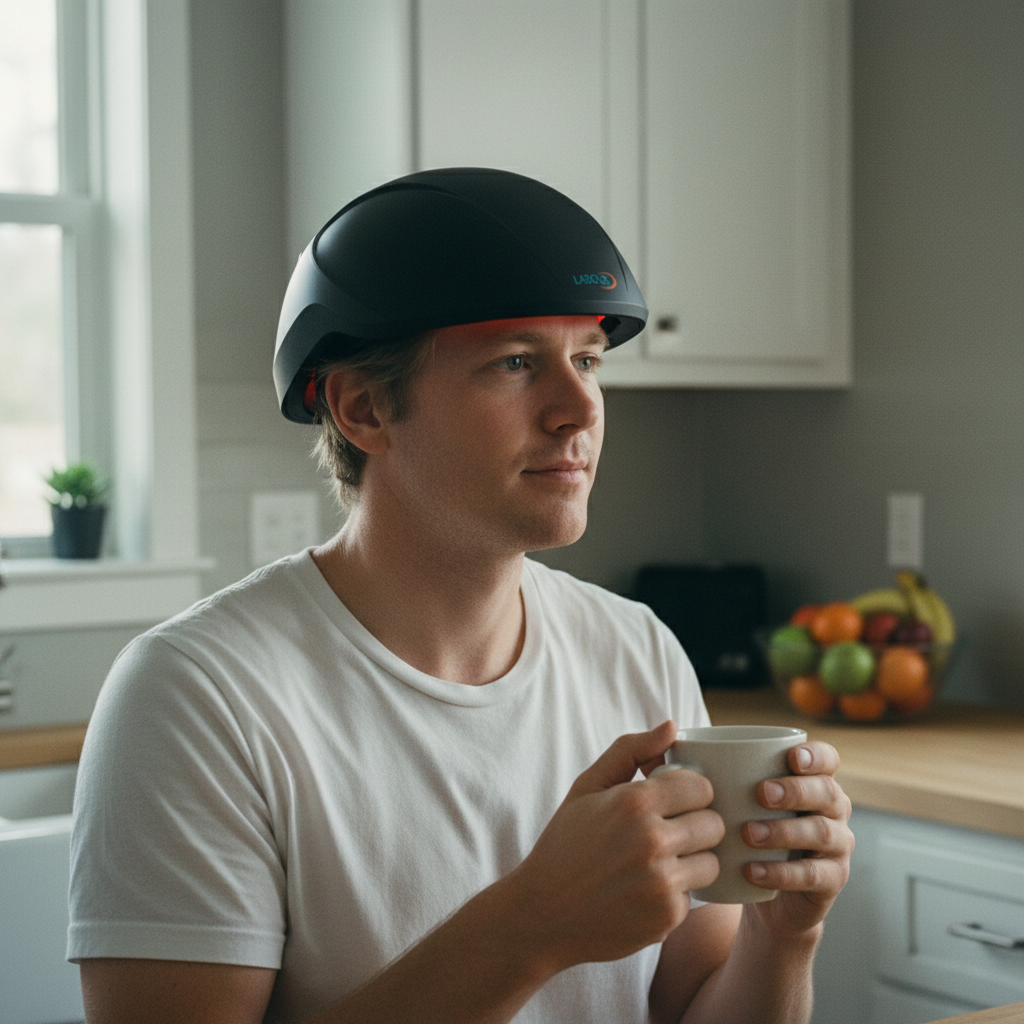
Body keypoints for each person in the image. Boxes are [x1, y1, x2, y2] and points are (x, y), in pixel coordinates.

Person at [69, 168, 853, 1024]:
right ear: (363, 407)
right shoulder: (197, 695)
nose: (579, 407)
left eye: (587, 358)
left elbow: (691, 1006)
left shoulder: (638, 650)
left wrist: (785, 937)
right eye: (516, 363)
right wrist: (533, 926)